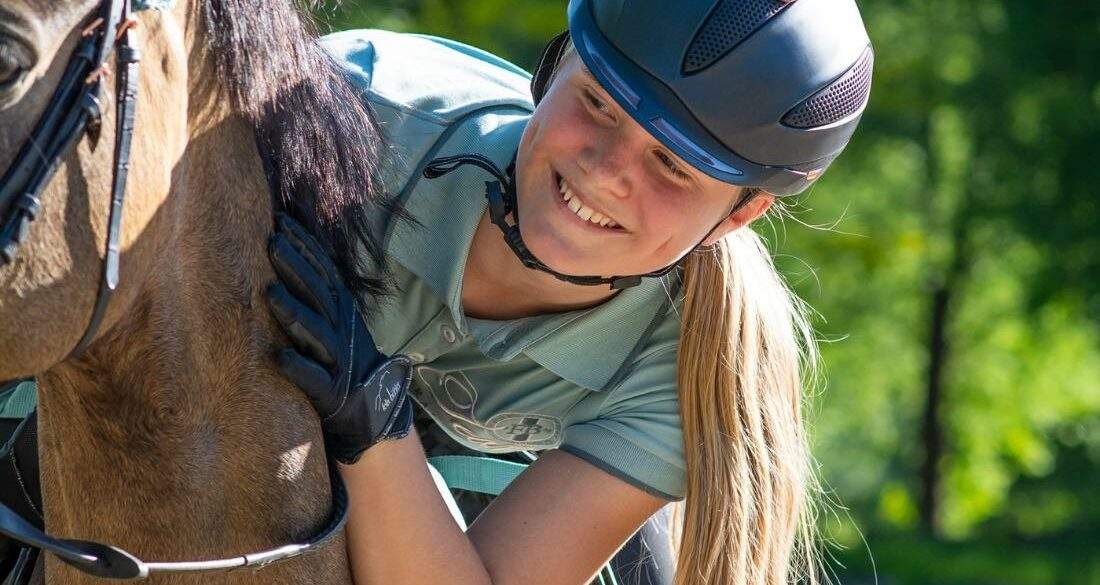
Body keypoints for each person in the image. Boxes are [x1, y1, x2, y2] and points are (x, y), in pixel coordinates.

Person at [265, 0, 874, 583]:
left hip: (542, 458)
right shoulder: (337, 119)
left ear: (737, 217)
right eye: (597, 105)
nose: (606, 171)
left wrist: (373, 417)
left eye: (672, 166)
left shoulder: (681, 367)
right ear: (555, 68)